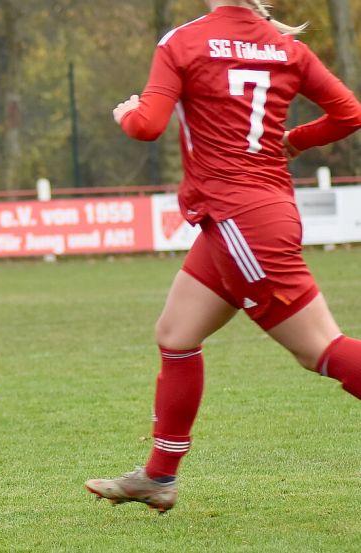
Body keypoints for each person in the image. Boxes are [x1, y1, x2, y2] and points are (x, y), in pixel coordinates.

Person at [85, 0, 361, 513]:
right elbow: (350, 113)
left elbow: (148, 125)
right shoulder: (285, 46)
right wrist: (295, 142)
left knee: (320, 349)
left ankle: (159, 476)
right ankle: (159, 477)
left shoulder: (184, 42)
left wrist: (125, 113)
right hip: (251, 216)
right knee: (177, 335)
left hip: (240, 221)